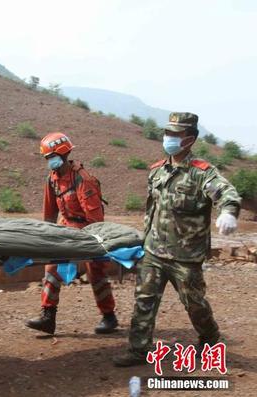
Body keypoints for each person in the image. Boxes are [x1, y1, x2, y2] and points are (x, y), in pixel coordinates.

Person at [113, 112, 241, 367]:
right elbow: (152, 211)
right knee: (144, 300)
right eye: (167, 133)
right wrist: (143, 242)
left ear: (189, 139)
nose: (168, 138)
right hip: (154, 251)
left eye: (175, 134)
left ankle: (211, 339)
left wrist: (228, 212)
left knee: (194, 303)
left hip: (186, 256)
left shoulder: (202, 173)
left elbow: (227, 193)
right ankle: (138, 350)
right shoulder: (157, 171)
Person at [25, 132, 119, 335]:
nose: (49, 161)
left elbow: (95, 219)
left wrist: (89, 242)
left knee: (96, 272)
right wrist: (47, 235)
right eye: (47, 158)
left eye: (51, 157)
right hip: (65, 227)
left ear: (63, 154)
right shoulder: (53, 179)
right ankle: (48, 316)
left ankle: (109, 316)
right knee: (52, 267)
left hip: (87, 229)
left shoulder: (83, 180)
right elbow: (49, 212)